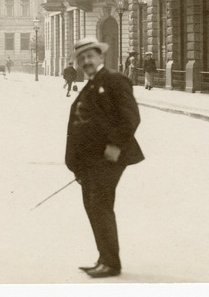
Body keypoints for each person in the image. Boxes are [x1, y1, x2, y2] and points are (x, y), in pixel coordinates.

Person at [66, 37, 144, 279]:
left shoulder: (114, 80)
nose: (87, 61)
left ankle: (111, 263)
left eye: (91, 56)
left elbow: (130, 117)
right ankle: (104, 258)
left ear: (101, 57)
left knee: (100, 206)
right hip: (88, 161)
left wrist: (115, 145)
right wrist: (76, 164)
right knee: (93, 207)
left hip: (108, 157)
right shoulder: (89, 85)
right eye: (82, 58)